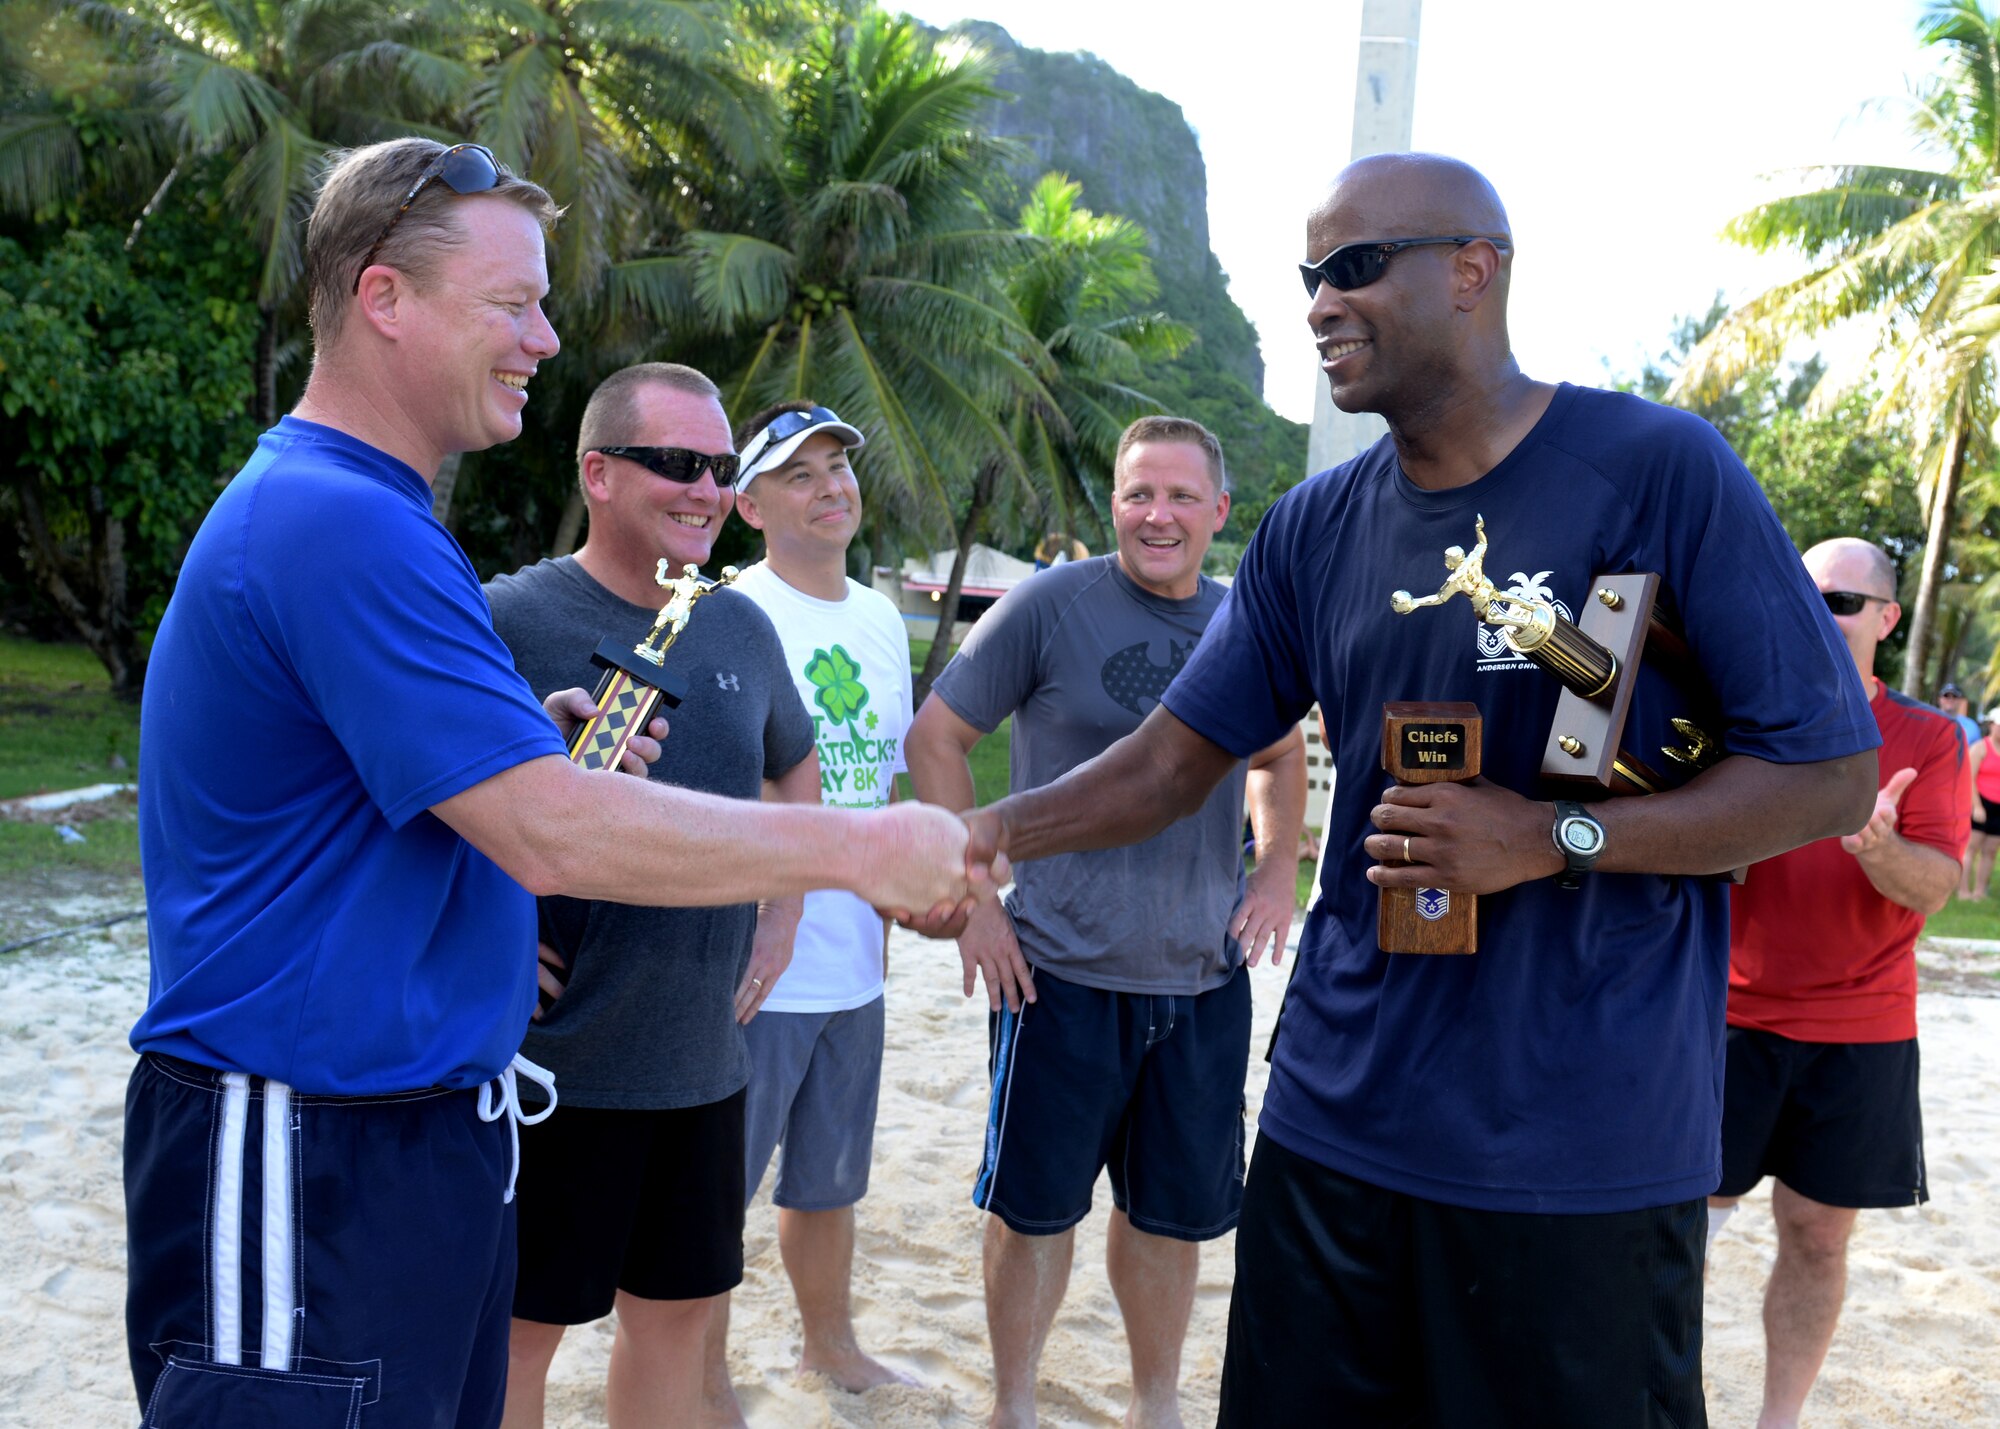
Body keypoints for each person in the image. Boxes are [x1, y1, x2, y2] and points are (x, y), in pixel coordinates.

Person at [907, 153, 1881, 1426]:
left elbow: (1826, 770)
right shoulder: (1313, 527)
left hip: (1577, 1148)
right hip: (1333, 1126)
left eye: (1355, 267)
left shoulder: (1657, 469)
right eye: (1309, 275)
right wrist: (986, 831)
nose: (1319, 302)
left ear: (1475, 270)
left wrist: (1550, 835)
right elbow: (1167, 759)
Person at [127, 137, 992, 1429]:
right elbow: (551, 831)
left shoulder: (384, 514)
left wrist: (520, 734)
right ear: (382, 299)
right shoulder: (337, 518)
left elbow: (443, 801)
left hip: (415, 1133)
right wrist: (859, 851)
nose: (543, 335)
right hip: (310, 1145)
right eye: (511, 302)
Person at [905, 415, 1307, 1429]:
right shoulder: (1053, 604)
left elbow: (1278, 755)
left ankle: (1156, 1402)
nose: (1156, 514)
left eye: (1180, 496)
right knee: (1032, 1211)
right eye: (1137, 494)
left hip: (1200, 976)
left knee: (1170, 1216)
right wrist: (976, 905)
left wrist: (1273, 874)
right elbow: (936, 737)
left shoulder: (1242, 622)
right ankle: (1013, 1403)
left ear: (1220, 512)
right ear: (1112, 506)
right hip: (1054, 975)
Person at [486, 363, 820, 1429]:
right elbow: (414, 802)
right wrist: (485, 934)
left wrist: (782, 912)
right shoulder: (504, 617)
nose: (706, 490)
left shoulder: (734, 623)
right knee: (516, 1339)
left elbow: (793, 767)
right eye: (676, 464)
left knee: (674, 1328)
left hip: (699, 1064)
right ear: (596, 472)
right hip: (550, 1071)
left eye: (720, 469)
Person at [1708, 537, 1967, 1429]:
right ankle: (1656, 1399)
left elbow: (1933, 887)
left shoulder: (1930, 739)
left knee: (1818, 1238)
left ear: (1888, 619)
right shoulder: (1738, 713)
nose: (1818, 614)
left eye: (1843, 602)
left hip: (1861, 1026)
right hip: (1727, 1014)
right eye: (1803, 595)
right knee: (1679, 1230)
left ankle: (1779, 1420)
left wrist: (1878, 844)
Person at [700, 401, 917, 1420]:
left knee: (828, 1181)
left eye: (838, 465)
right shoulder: (723, 614)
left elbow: (880, 786)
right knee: (711, 1198)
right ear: (747, 504)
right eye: (799, 473)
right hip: (747, 961)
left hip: (853, 962)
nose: (831, 485)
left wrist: (876, 926)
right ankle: (698, 1370)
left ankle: (829, 1346)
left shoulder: (876, 618)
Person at [1962, 707, 2000, 899]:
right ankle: (1963, 891)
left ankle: (1979, 891)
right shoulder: (1980, 748)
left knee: (1991, 850)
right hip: (1981, 803)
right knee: (1971, 848)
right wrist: (1976, 806)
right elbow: (1969, 778)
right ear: (1992, 725)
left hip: (1998, 806)